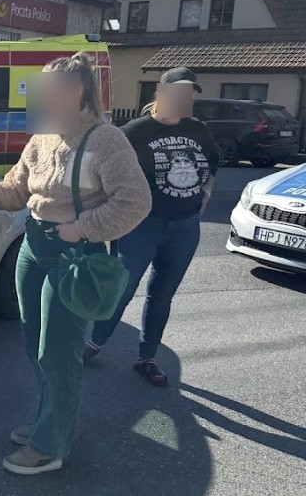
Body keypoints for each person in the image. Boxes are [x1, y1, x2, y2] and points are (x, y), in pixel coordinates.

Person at [0, 53, 151, 476]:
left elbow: (136, 202)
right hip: (33, 247)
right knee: (36, 345)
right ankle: (48, 421)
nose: (40, 97)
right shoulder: (42, 136)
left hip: (75, 254)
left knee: (58, 352)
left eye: (49, 90)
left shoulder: (107, 140)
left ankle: (50, 447)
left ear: (78, 91)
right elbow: (15, 192)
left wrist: (82, 227)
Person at [85, 67, 218, 386]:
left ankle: (147, 358)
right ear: (161, 93)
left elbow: (212, 162)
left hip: (184, 227)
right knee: (122, 289)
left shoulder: (198, 129)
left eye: (190, 94)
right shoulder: (136, 130)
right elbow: (95, 164)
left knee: (162, 296)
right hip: (141, 224)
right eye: (180, 92)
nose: (186, 99)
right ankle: (93, 343)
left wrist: (207, 190)